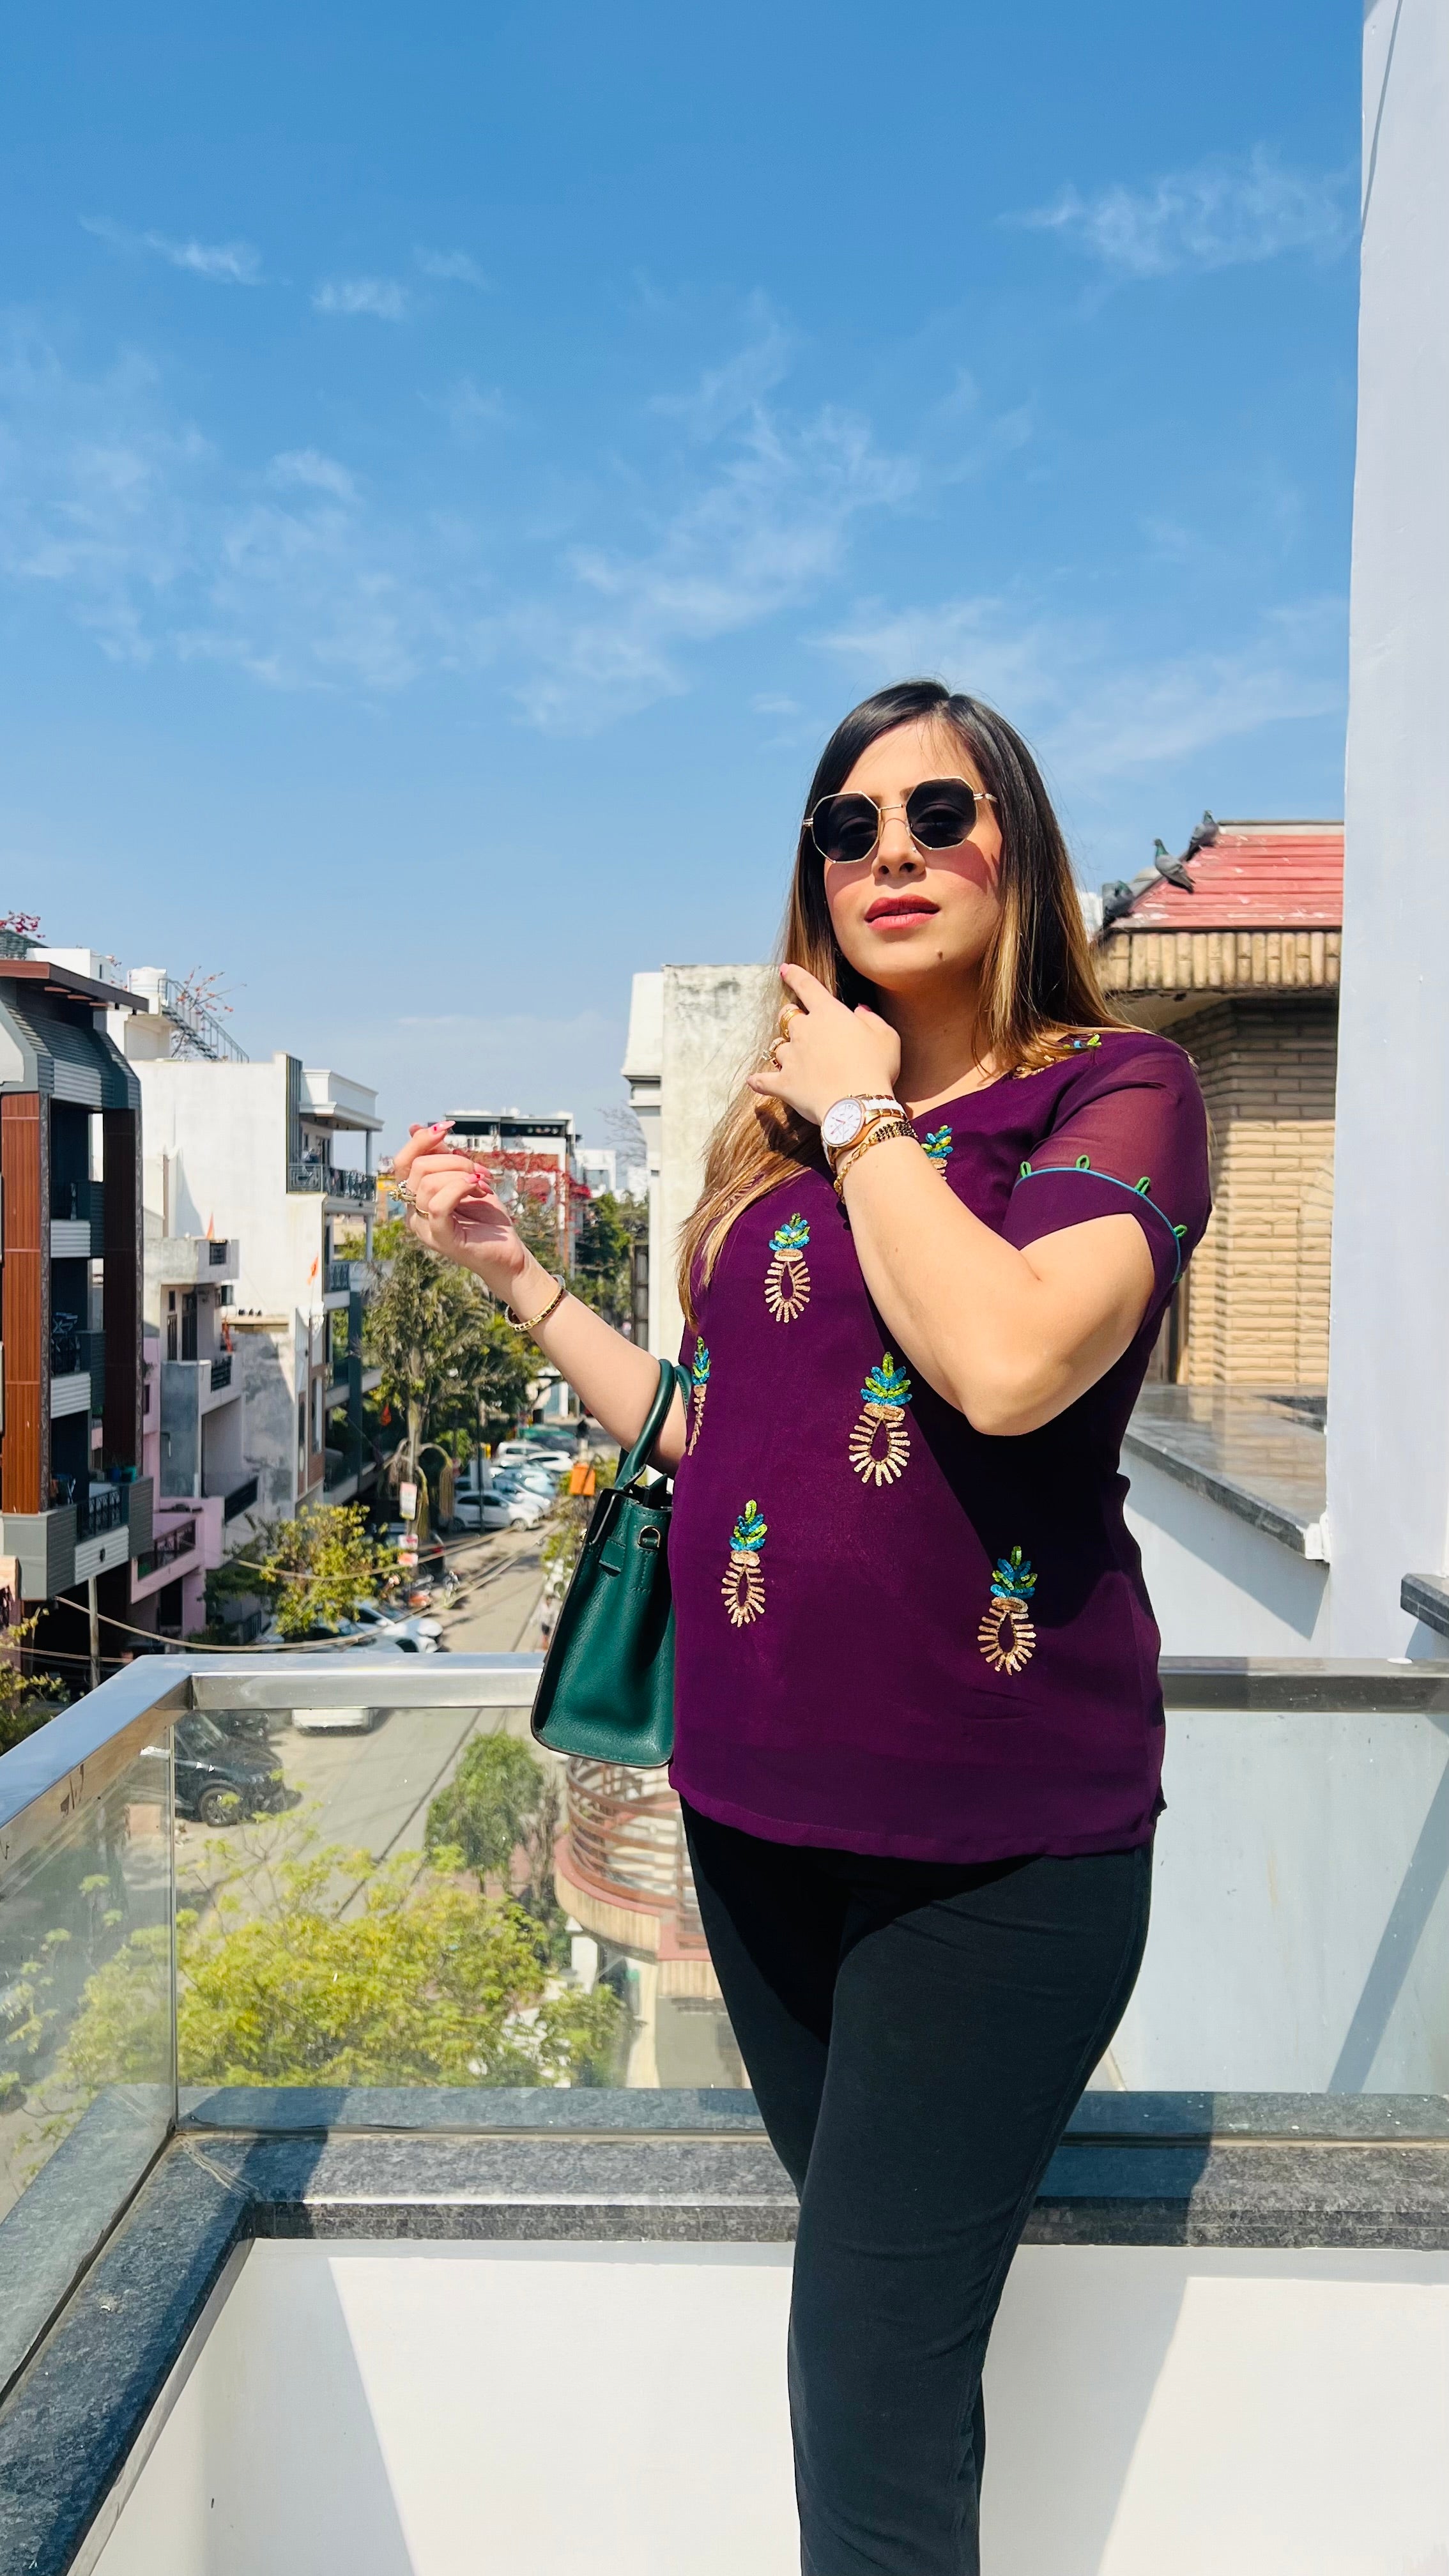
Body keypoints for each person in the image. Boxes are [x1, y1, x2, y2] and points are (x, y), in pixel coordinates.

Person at [391, 678, 1210, 2575]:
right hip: (754, 1831)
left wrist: (857, 1110)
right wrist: (512, 1280)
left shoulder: (1114, 1092)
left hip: (992, 1859)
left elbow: (1003, 1366)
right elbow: (721, 1445)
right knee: (895, 2366)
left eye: (939, 814)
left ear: (1015, 839)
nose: (893, 855)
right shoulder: (777, 1151)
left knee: (858, 2381)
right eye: (849, 827)